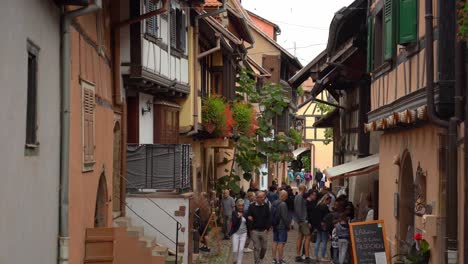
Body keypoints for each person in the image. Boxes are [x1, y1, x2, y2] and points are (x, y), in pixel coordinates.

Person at [247, 191, 271, 264]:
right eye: (261, 197)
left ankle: (260, 258)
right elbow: (248, 217)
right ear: (257, 198)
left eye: (263, 197)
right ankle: (257, 262)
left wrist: (268, 228)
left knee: (264, 248)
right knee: (256, 247)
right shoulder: (252, 206)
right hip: (255, 231)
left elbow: (269, 217)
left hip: (264, 230)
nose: (262, 199)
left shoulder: (266, 205)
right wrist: (251, 229)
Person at [271, 190, 291, 264]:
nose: (287, 198)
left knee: (275, 241)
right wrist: (288, 226)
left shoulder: (274, 202)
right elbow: (285, 217)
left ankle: (273, 259)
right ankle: (280, 259)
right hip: (281, 226)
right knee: (281, 243)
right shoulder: (283, 204)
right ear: (283, 196)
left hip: (275, 225)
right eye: (286, 196)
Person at [294, 184, 312, 263]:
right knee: (308, 237)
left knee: (300, 237)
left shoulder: (298, 197)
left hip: (300, 220)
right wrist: (303, 220)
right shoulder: (300, 197)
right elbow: (299, 210)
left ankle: (298, 255)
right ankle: (307, 256)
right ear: (304, 189)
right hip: (303, 220)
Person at [315, 193, 333, 262]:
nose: (330, 202)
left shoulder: (318, 205)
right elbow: (327, 216)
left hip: (319, 225)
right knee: (324, 241)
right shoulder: (325, 207)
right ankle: (322, 256)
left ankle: (316, 255)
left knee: (318, 240)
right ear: (327, 200)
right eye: (329, 201)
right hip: (324, 226)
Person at [230, 199, 248, 264]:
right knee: (235, 250)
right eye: (239, 205)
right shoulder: (234, 212)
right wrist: (239, 217)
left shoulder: (246, 212)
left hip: (243, 233)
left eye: (242, 205)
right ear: (237, 206)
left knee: (241, 250)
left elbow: (248, 223)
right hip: (236, 233)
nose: (241, 207)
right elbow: (234, 223)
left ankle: (239, 262)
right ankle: (234, 260)